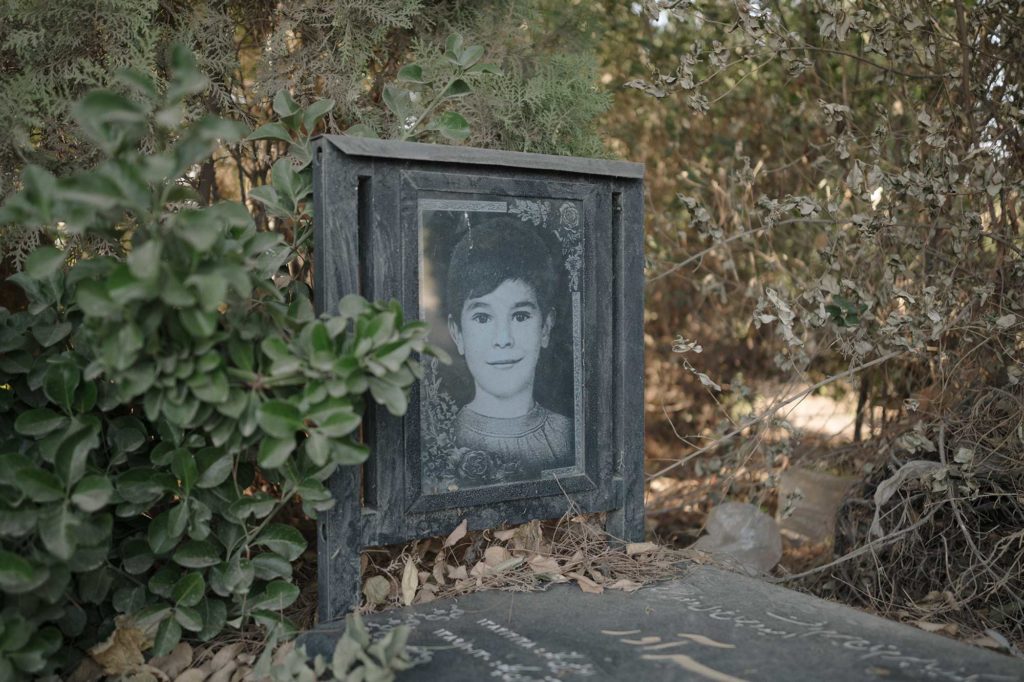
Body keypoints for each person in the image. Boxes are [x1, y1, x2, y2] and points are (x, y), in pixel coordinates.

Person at [444, 215, 573, 481]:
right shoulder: (441, 438)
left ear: (546, 327)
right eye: (482, 318)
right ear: (457, 333)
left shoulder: (568, 436)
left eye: (521, 316)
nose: (503, 339)